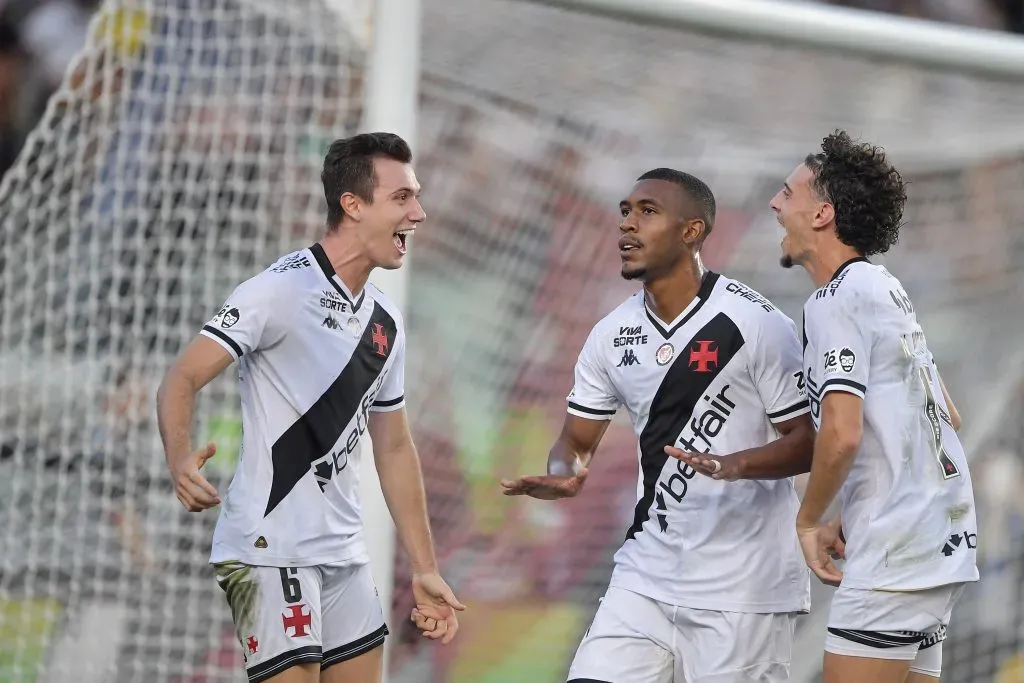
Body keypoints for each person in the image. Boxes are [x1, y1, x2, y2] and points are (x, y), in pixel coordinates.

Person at [156, 132, 464, 683]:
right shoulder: (277, 291)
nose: (418, 213)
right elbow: (181, 377)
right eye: (402, 198)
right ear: (353, 204)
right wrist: (180, 457)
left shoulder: (385, 320)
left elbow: (393, 446)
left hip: (344, 554)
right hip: (268, 549)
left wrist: (424, 567)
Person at [499, 168, 815, 683]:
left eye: (648, 212)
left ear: (692, 231)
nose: (628, 225)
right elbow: (575, 441)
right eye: (625, 211)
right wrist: (565, 471)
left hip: (742, 587)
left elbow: (808, 442)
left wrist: (734, 465)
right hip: (646, 574)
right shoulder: (610, 334)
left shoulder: (755, 324)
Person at [770, 129, 979, 683]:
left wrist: (810, 519)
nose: (774, 203)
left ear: (822, 214)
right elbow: (946, 415)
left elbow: (842, 434)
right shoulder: (883, 287)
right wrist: (856, 510)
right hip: (938, 537)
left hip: (899, 547)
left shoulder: (835, 299)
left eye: (788, 194)